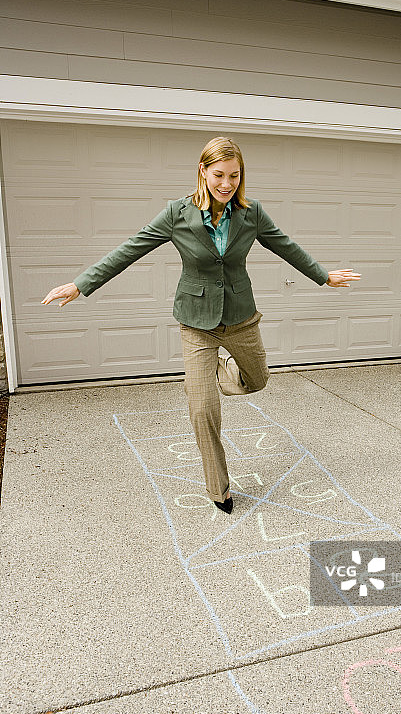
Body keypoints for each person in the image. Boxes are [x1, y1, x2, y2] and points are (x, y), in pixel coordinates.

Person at [41, 136, 360, 515]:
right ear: (203, 171)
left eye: (235, 176)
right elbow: (130, 248)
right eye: (219, 175)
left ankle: (218, 368)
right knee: (203, 409)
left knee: (257, 380)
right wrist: (82, 284)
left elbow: (285, 245)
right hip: (196, 324)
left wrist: (323, 276)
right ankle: (219, 489)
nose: (227, 184)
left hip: (241, 318)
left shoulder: (252, 212)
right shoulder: (178, 214)